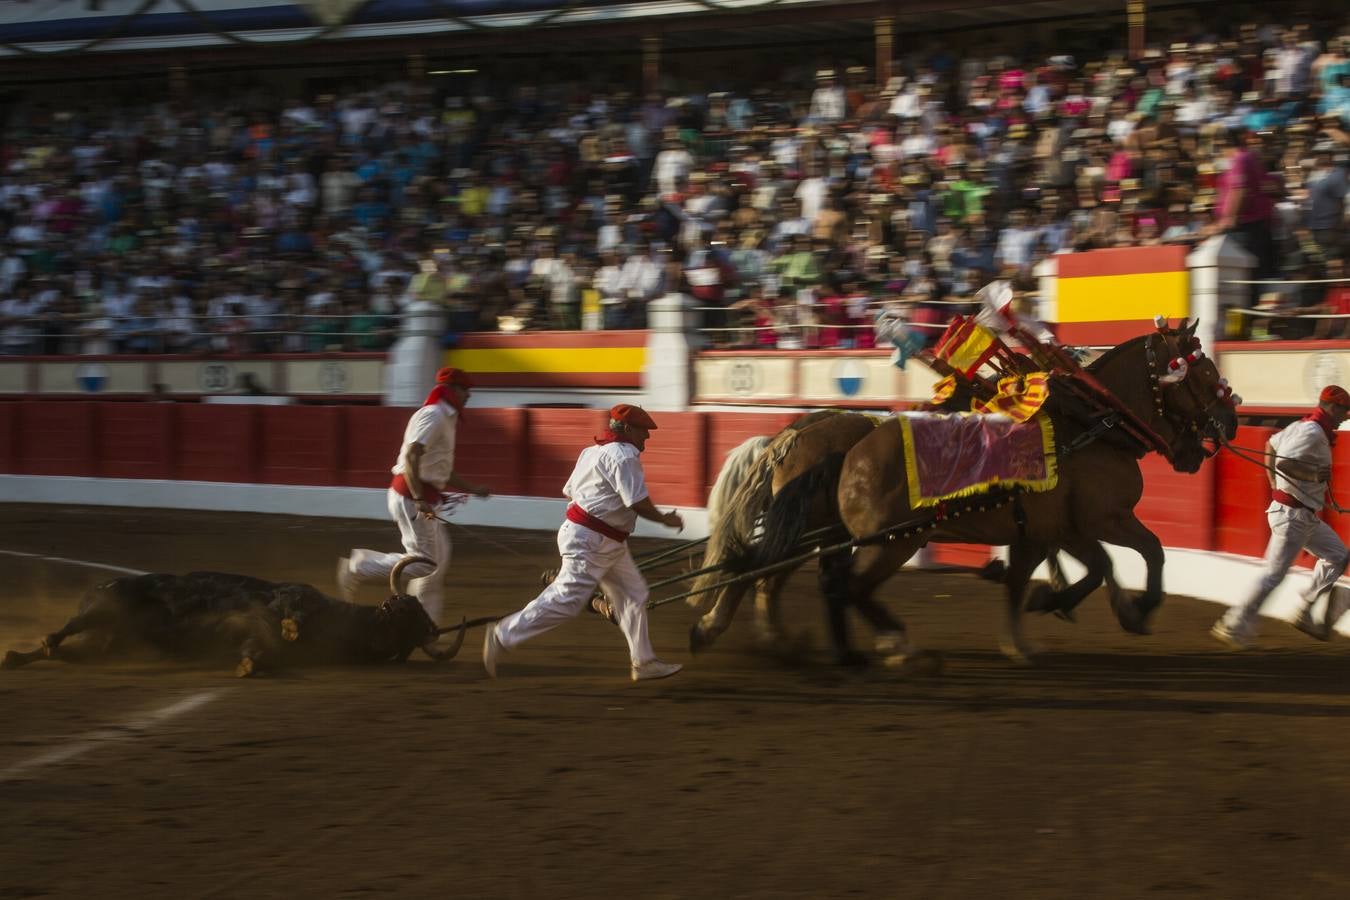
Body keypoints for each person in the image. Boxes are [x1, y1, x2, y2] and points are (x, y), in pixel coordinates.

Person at [483, 404, 684, 682]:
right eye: (643, 431)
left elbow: (569, 492)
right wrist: (665, 519)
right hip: (595, 540)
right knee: (567, 600)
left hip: (599, 538)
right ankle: (503, 634)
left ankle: (644, 661)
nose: (646, 438)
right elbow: (636, 502)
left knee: (634, 594)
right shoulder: (624, 457)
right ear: (626, 429)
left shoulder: (591, 452)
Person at [337, 367, 490, 629]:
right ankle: (358, 566)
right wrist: (419, 498)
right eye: (466, 390)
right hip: (412, 497)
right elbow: (411, 456)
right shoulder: (433, 416)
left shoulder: (444, 417)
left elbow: (440, 469)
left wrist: (473, 488)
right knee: (424, 564)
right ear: (452, 389)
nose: (469, 396)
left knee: (437, 562)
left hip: (421, 497)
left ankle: (424, 624)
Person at [1212, 385, 1350, 648]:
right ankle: (1233, 623)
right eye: (1345, 410)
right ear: (1332, 407)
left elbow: (1270, 445)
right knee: (1273, 575)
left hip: (1300, 515)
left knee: (1337, 556)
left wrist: (1275, 485)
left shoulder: (1304, 426)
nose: (1347, 416)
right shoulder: (1311, 432)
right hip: (1294, 516)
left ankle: (1304, 609)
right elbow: (1284, 463)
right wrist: (1311, 476)